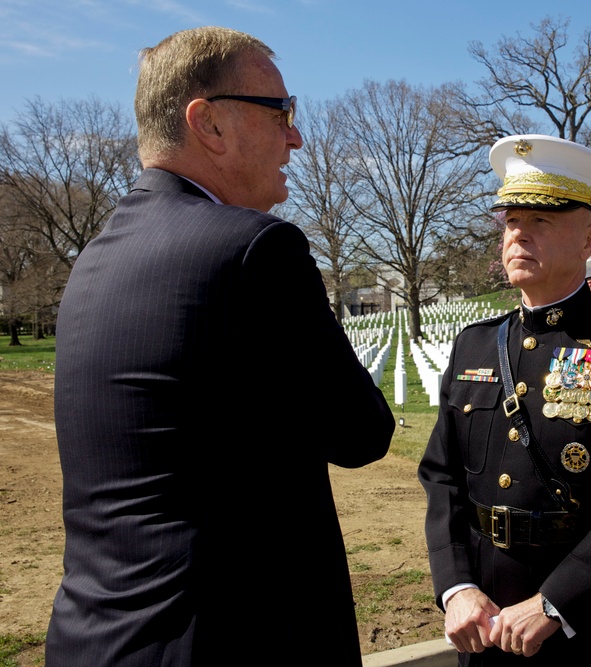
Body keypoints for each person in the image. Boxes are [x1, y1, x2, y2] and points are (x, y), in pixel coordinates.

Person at [46, 27, 394, 666]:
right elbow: (362, 431)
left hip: (101, 637)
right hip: (230, 639)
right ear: (208, 123)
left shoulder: (96, 259)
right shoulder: (254, 248)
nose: (295, 136)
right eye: (281, 112)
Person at [419, 134, 591, 665]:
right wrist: (456, 588)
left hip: (589, 619)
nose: (518, 235)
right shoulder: (475, 342)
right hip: (485, 616)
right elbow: (441, 476)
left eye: (540, 221)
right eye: (511, 221)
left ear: (590, 240)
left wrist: (555, 604)